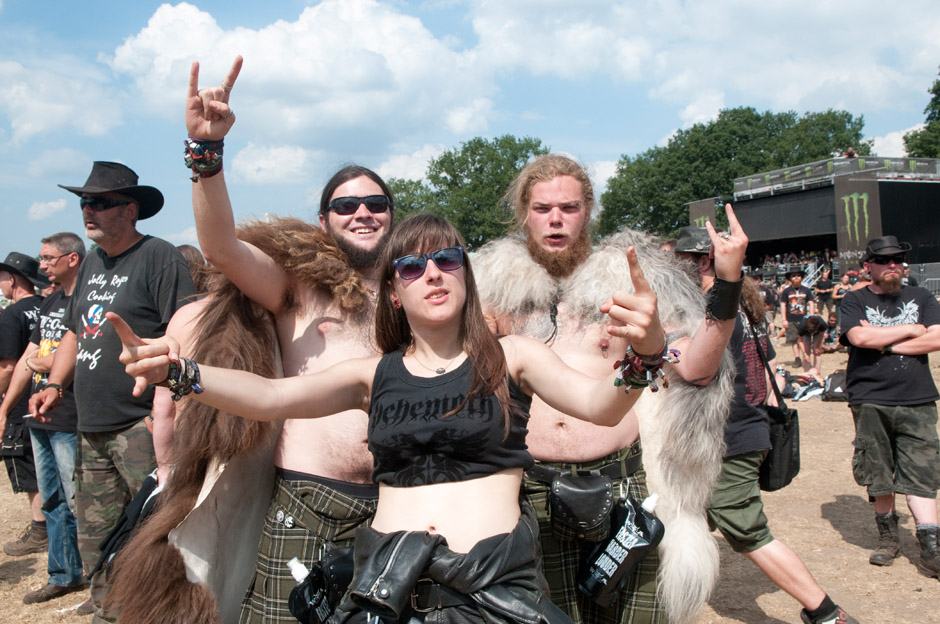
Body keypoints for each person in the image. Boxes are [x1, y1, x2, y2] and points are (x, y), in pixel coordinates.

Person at [113, 213, 669, 624]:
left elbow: (601, 404)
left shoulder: (512, 356)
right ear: (395, 292)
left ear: (465, 278)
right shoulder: (372, 375)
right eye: (412, 265)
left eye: (448, 260)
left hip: (496, 588)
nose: (432, 273)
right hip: (388, 589)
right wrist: (180, 373)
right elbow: (267, 396)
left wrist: (645, 354)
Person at [104, 56, 393, 624]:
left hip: (398, 501)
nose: (362, 212)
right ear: (323, 219)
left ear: (390, 214)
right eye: (346, 205)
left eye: (375, 203)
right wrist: (206, 155)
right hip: (308, 501)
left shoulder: (419, 286)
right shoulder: (295, 287)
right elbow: (222, 249)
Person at [473, 156, 747, 624]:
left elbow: (697, 369)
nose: (556, 218)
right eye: (542, 208)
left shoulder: (628, 282)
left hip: (621, 487)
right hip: (530, 490)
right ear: (524, 212)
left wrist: (726, 281)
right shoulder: (492, 292)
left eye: (569, 206)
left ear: (589, 210)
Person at [29, 162, 195, 619]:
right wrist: (56, 385)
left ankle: (162, 608)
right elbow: (74, 332)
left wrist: (159, 412)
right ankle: (109, 608)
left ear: (129, 210)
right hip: (91, 423)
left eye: (100, 203)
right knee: (97, 533)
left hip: (139, 423)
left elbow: (187, 332)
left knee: (154, 529)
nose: (89, 210)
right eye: (85, 202)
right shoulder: (92, 263)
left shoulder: (159, 256)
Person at [676, 229, 858, 624]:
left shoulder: (712, 309)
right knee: (680, 519)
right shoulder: (744, 306)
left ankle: (826, 612)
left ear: (703, 261)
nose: (674, 267)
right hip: (743, 429)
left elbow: (695, 371)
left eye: (681, 260)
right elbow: (770, 367)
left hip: (728, 438)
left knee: (749, 533)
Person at [839, 235, 940, 580]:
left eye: (897, 259)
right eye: (884, 260)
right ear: (869, 266)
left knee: (922, 472)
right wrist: (912, 330)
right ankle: (889, 537)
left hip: (918, 398)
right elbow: (859, 338)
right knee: (878, 470)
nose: (893, 265)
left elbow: (938, 337)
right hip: (870, 398)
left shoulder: (922, 296)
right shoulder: (855, 300)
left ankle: (931, 546)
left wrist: (885, 345)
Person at [0, 233, 86, 603]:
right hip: (39, 418)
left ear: (72, 259)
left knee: (81, 502)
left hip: (71, 416)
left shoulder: (87, 301)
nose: (43, 265)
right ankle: (63, 574)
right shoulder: (51, 302)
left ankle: (100, 580)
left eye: (49, 258)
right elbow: (26, 359)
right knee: (50, 500)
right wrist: (4, 409)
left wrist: (44, 363)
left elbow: (80, 352)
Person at [0, 252, 49, 557]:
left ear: (15, 279)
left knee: (26, 467)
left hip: (19, 402)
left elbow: (7, 366)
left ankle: (39, 527)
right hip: (46, 398)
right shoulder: (47, 306)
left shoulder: (11, 315)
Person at [780, 267, 815, 368]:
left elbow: (811, 303)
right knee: (794, 340)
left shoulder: (806, 290)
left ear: (801, 277)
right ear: (790, 278)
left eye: (798, 275)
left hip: (804, 319)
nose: (796, 277)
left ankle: (806, 356)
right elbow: (783, 305)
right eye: (793, 276)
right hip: (791, 319)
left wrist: (811, 316)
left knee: (805, 338)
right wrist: (784, 319)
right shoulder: (786, 291)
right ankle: (797, 358)